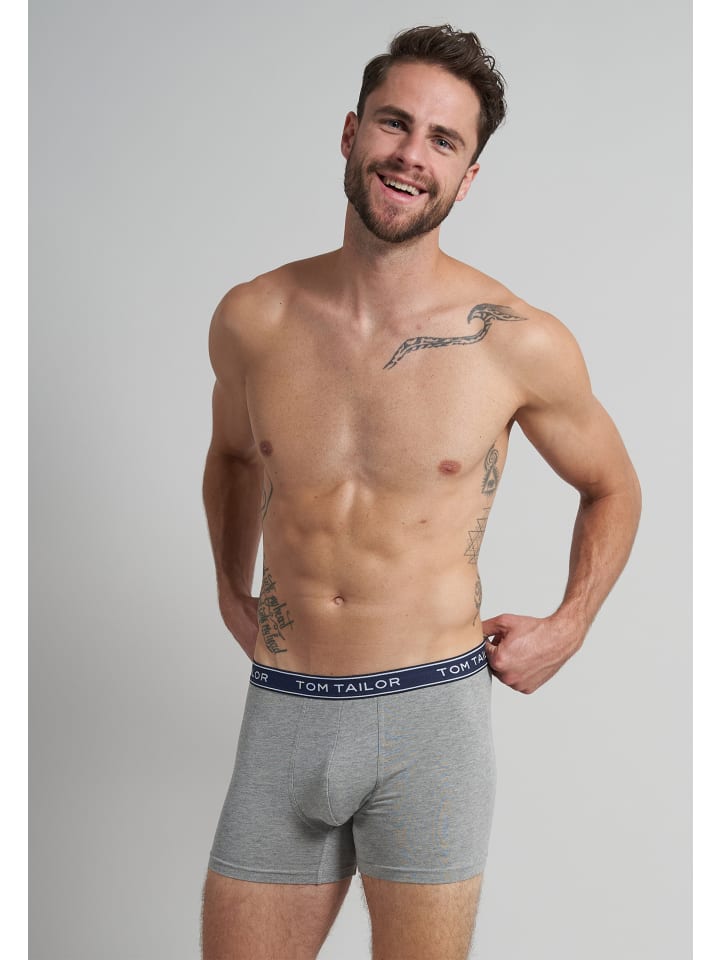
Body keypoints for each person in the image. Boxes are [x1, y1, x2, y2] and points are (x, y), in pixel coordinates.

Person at [200, 24, 641, 960]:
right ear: (351, 131)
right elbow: (233, 457)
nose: (411, 155)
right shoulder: (254, 318)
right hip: (283, 707)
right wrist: (229, 592)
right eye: (395, 124)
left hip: (428, 718)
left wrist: (571, 624)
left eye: (443, 140)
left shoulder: (516, 340)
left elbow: (612, 484)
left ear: (468, 177)